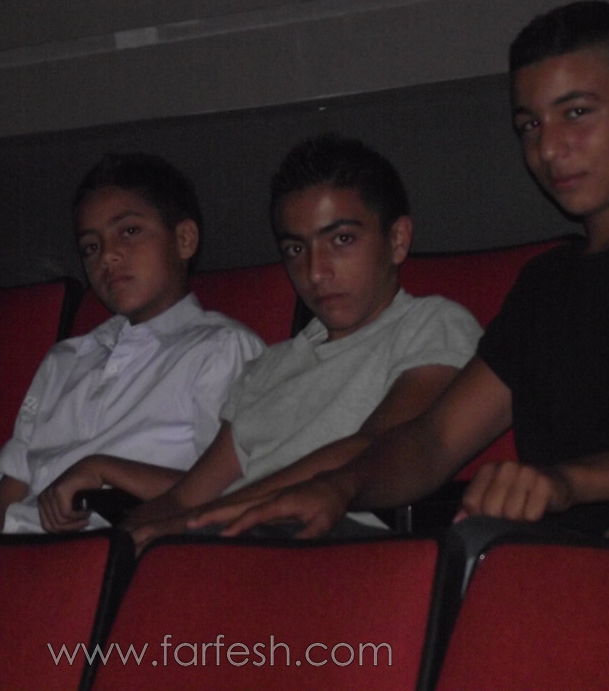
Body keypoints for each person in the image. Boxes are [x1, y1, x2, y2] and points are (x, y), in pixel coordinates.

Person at [197, 1, 609, 539]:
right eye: (529, 125)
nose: (548, 147)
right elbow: (435, 440)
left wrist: (569, 481)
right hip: (544, 562)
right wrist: (341, 485)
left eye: (577, 113)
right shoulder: (546, 284)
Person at [39, 133, 481, 545]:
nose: (316, 271)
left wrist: (205, 519)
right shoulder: (267, 368)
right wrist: (115, 552)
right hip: (229, 541)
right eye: (295, 249)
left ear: (397, 239)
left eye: (342, 239)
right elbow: (187, 496)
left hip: (333, 541)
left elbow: (373, 449)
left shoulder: (431, 324)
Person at [0, 152, 264, 533]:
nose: (108, 256)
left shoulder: (221, 348)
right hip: (16, 551)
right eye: (91, 247)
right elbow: (5, 497)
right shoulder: (66, 358)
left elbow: (231, 490)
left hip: (121, 548)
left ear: (184, 239)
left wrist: (104, 470)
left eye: (129, 231)